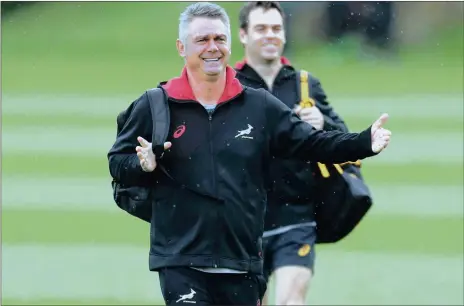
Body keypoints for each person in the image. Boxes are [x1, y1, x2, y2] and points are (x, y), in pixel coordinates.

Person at [107, 2, 391, 306]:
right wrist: (141, 164)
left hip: (241, 261)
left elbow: (312, 143)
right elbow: (117, 162)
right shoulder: (155, 105)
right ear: (181, 46)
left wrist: (363, 142)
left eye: (219, 39)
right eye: (202, 40)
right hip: (181, 259)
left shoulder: (258, 105)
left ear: (230, 43)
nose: (212, 48)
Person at [235, 2, 352, 305]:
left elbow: (343, 140)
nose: (270, 35)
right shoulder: (227, 85)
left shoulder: (305, 84)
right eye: (261, 29)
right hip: (243, 222)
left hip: (296, 216)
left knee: (292, 299)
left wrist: (322, 123)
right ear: (243, 35)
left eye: (276, 28)